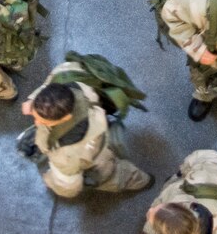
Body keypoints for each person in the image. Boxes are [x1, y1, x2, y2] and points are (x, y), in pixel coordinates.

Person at [20, 59, 153, 198]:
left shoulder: (64, 156)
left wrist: (50, 180)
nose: (36, 121)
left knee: (111, 177)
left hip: (94, 158)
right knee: (122, 171)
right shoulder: (74, 83)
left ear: (65, 118)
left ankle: (139, 182)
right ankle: (143, 179)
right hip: (98, 125)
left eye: (41, 120)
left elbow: (69, 187)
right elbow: (58, 78)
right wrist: (33, 100)